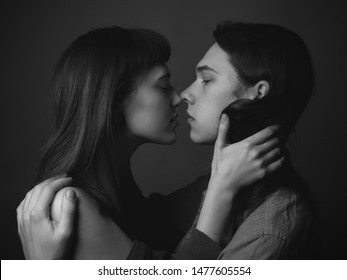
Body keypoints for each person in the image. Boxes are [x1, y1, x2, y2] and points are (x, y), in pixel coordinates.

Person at [16, 26, 282, 259]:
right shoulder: (71, 203)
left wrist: (228, 175)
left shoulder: (114, 179)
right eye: (163, 86)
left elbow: (158, 223)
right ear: (115, 99)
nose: (179, 98)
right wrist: (221, 190)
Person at [177, 21, 315, 259]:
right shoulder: (216, 182)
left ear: (258, 93)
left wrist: (220, 192)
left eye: (207, 80)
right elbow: (141, 218)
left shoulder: (272, 225)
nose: (185, 94)